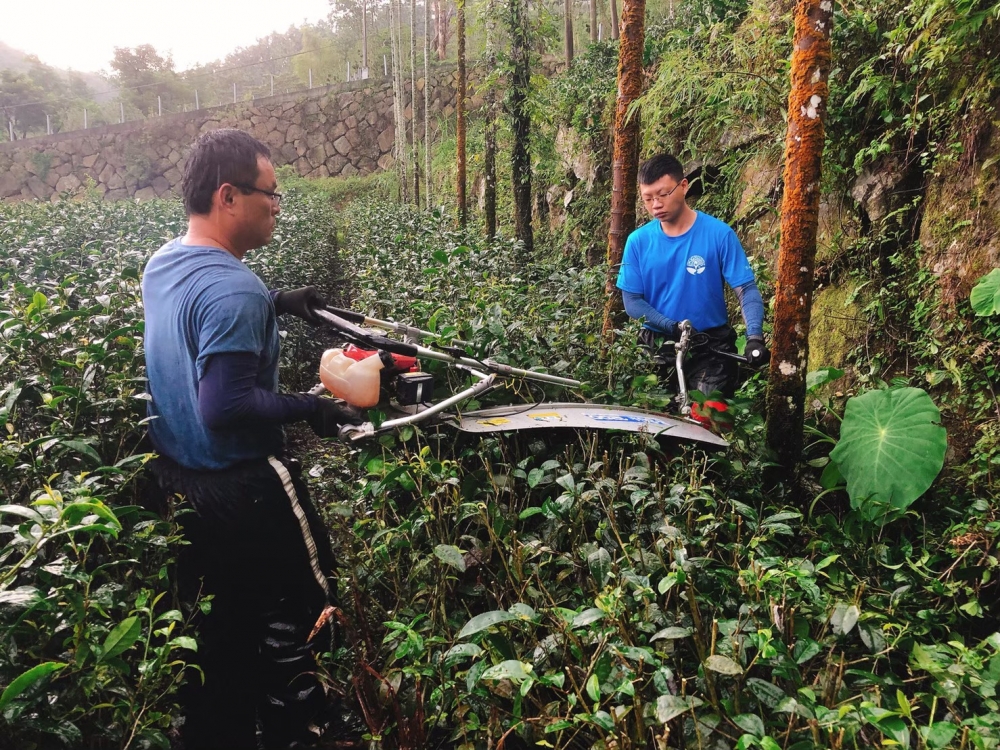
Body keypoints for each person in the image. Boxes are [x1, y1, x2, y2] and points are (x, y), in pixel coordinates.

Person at [141, 128, 359, 750]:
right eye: (271, 192)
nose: (277, 205)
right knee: (300, 608)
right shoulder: (233, 288)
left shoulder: (164, 263)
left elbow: (200, 317)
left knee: (221, 625)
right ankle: (303, 729)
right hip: (245, 485)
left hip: (180, 482)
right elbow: (225, 406)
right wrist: (313, 408)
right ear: (229, 196)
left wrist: (277, 301)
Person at [616, 153, 769, 399]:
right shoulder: (638, 242)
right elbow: (632, 301)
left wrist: (754, 337)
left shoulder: (718, 234)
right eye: (648, 198)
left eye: (663, 194)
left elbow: (746, 289)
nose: (656, 204)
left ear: (684, 186)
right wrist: (672, 326)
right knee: (653, 418)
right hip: (657, 344)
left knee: (708, 415)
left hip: (710, 346)